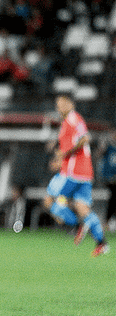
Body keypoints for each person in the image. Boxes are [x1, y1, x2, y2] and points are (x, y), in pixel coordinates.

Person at [49, 95, 109, 257]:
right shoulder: (67, 122)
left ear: (71, 104)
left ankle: (78, 226)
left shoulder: (74, 119)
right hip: (84, 173)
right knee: (83, 208)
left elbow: (85, 138)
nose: (59, 107)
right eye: (57, 104)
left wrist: (64, 153)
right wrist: (60, 159)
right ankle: (102, 243)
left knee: (56, 205)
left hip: (75, 173)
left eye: (62, 104)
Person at [97, 130, 116, 232]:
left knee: (113, 199)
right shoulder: (108, 147)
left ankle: (107, 222)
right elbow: (99, 154)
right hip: (109, 179)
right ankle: (106, 222)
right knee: (113, 198)